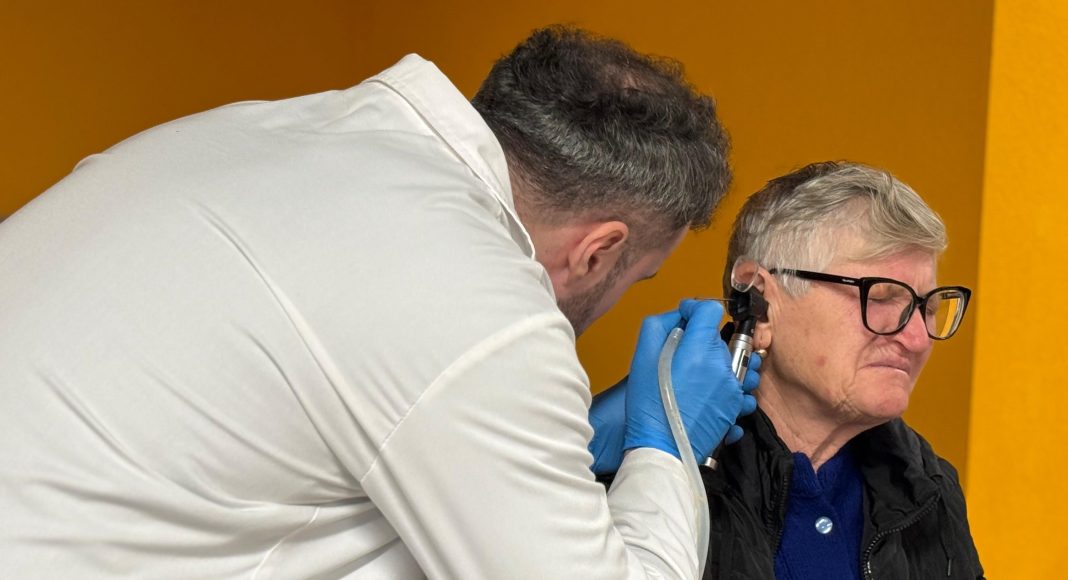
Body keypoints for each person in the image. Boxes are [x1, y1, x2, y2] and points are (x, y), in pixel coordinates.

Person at [0, 26, 753, 579]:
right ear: (597, 251)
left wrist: (568, 446)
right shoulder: (475, 298)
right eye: (635, 277)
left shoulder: (275, 134)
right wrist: (666, 445)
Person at [699, 161, 984, 579]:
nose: (919, 339)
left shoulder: (928, 488)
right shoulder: (668, 475)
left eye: (928, 308)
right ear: (760, 304)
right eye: (881, 297)